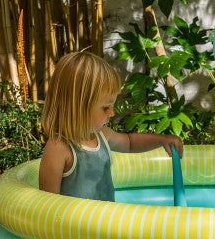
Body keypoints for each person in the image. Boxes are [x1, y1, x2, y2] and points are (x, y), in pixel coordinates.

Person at [39, 50, 184, 201]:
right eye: (106, 107)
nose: (112, 113)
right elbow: (48, 207)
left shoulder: (102, 135)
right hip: (75, 225)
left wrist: (161, 140)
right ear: (78, 107)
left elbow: (130, 143)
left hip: (106, 224)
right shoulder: (59, 148)